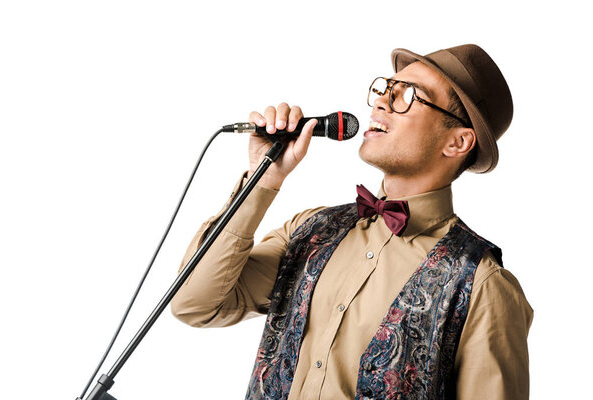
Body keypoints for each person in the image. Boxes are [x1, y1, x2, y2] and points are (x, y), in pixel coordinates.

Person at [171, 44, 533, 399]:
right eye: (385, 89)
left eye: (408, 96)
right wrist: (261, 181)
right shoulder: (310, 229)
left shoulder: (484, 287)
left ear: (457, 142)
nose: (380, 102)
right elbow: (195, 304)